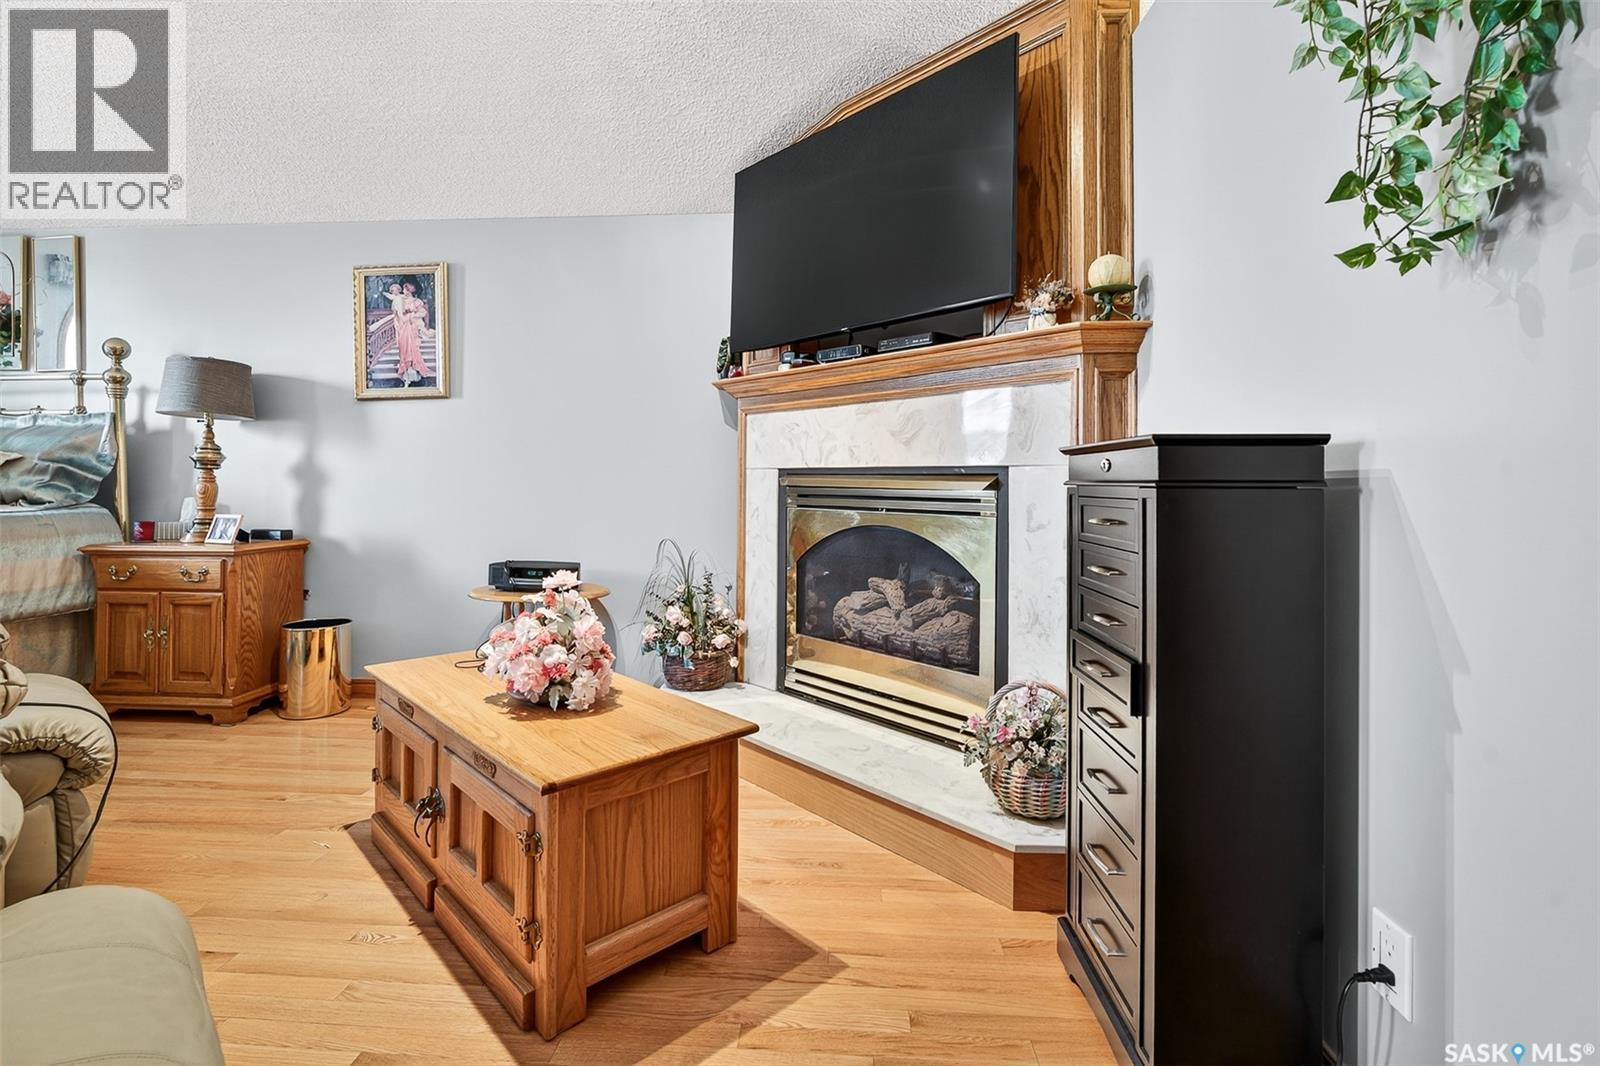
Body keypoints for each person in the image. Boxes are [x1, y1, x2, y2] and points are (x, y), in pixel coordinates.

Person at [391, 281, 431, 386]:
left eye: (406, 289)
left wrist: (412, 315)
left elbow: (423, 312)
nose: (404, 291)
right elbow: (396, 313)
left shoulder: (416, 301)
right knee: (403, 347)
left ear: (410, 290)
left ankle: (413, 370)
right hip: (402, 326)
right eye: (404, 289)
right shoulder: (400, 300)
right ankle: (405, 371)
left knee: (412, 346)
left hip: (411, 325)